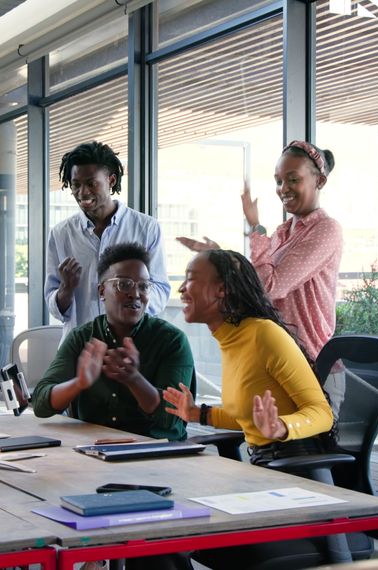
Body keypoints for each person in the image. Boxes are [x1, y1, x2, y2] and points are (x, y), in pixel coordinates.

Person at [161, 248, 349, 565]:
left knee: (175, 535)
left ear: (222, 290)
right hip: (264, 474)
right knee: (168, 529)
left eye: (191, 279)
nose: (181, 288)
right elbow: (247, 416)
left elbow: (321, 413)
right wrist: (198, 414)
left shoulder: (264, 335)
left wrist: (283, 427)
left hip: (299, 480)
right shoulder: (231, 339)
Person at [177, 140, 342, 361]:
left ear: (319, 181)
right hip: (278, 354)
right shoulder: (283, 232)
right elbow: (255, 279)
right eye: (279, 181)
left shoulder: (326, 229)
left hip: (311, 361)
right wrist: (219, 256)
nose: (283, 188)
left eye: (293, 179)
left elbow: (268, 287)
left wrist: (256, 227)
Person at [32, 242, 193, 441]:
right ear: (101, 292)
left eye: (143, 286)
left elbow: (172, 416)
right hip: (94, 450)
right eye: (123, 284)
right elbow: (40, 404)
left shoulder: (172, 341)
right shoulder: (82, 338)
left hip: (156, 453)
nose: (135, 294)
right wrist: (79, 383)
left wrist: (134, 379)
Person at [45, 141, 171, 339]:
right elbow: (54, 306)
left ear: (111, 181)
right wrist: (66, 289)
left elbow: (160, 291)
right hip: (80, 349)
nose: (82, 192)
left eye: (91, 183)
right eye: (75, 185)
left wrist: (130, 296)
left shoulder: (146, 228)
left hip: (131, 349)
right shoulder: (61, 234)